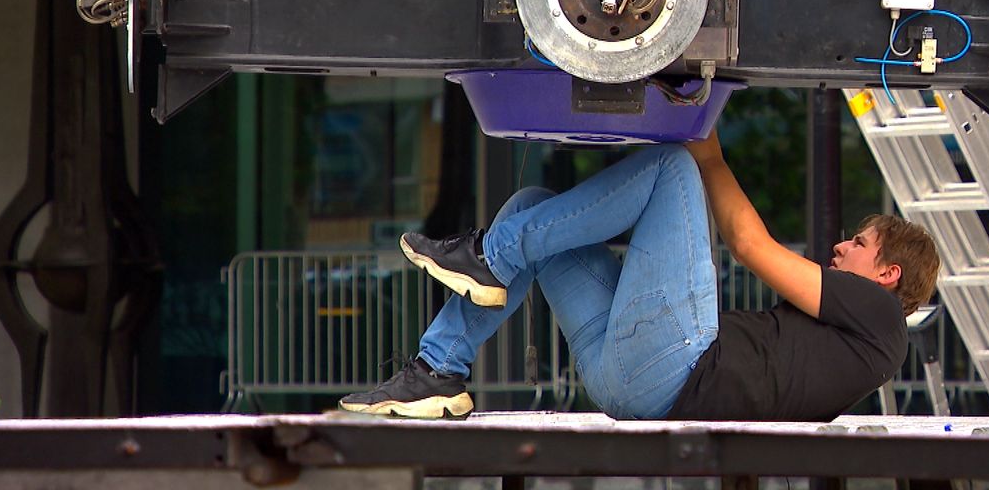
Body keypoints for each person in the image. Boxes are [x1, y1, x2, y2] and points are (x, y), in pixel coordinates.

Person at [339, 130, 940, 421]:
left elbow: (750, 246)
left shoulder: (881, 316)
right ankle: (438, 370)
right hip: (628, 382)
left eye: (857, 244)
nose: (839, 246)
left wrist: (711, 156)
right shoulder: (863, 337)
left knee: (672, 167)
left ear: (887, 273)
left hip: (680, 367)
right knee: (528, 204)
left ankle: (488, 257)